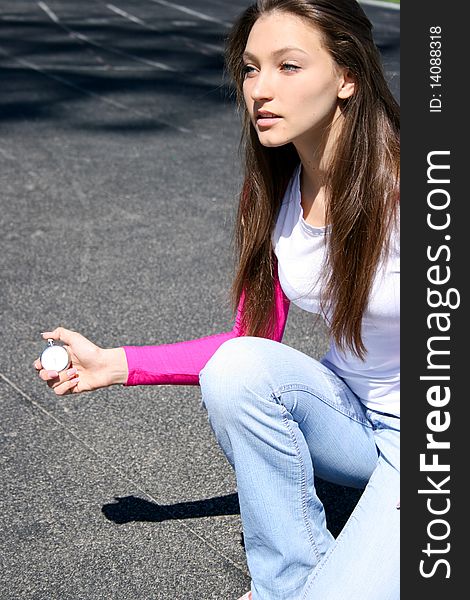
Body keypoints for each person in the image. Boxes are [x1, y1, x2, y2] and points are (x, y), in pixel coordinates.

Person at [34, 1, 400, 598]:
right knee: (239, 370)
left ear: (347, 76)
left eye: (288, 66)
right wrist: (116, 364)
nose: (261, 88)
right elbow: (250, 340)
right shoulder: (276, 189)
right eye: (251, 68)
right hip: (351, 423)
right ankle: (283, 583)